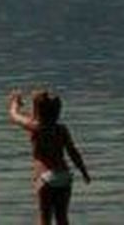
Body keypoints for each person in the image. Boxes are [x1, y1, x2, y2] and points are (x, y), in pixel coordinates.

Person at [9, 89, 91, 225]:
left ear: (37, 110)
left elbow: (14, 115)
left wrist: (14, 102)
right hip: (64, 176)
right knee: (62, 218)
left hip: (45, 178)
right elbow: (73, 152)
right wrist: (84, 172)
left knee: (44, 219)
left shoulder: (35, 127)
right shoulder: (61, 129)